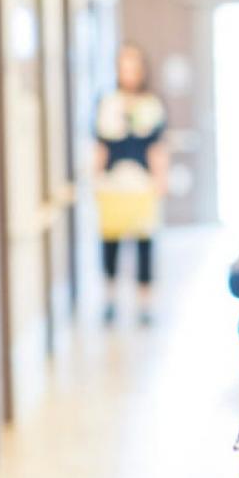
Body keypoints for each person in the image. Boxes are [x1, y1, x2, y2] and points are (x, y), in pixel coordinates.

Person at [93, 44, 168, 326]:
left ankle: (145, 303)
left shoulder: (151, 103)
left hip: (141, 182)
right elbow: (100, 144)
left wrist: (161, 179)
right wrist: (96, 178)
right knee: (110, 242)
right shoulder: (107, 102)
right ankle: (110, 300)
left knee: (144, 243)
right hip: (113, 182)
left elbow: (157, 145)